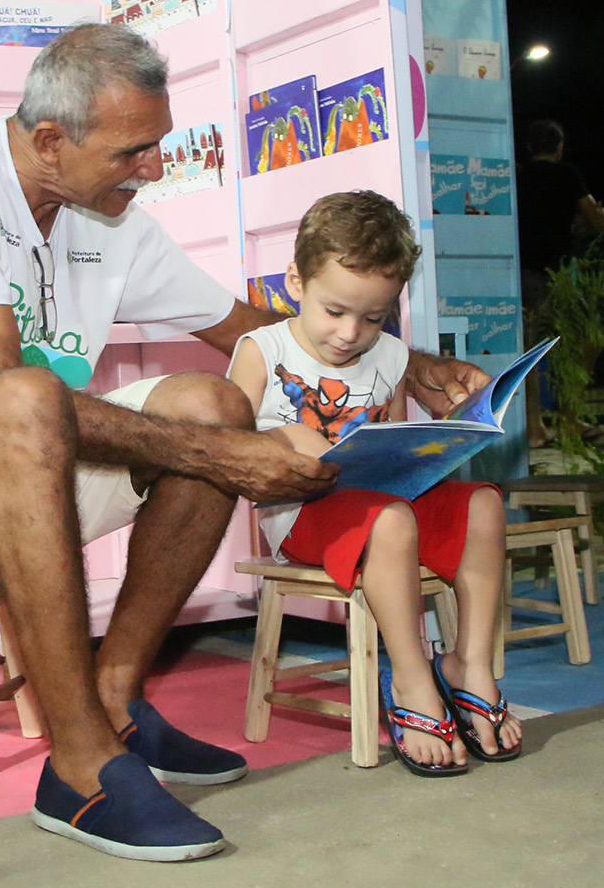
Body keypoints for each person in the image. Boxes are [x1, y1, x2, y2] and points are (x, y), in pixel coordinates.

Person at [0, 23, 485, 862]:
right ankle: (79, 767)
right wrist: (219, 460)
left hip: (7, 483)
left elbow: (257, 328)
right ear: (50, 140)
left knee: (212, 401)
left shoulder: (108, 219)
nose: (152, 168)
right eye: (133, 151)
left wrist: (404, 363)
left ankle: (115, 703)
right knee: (33, 399)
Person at [227, 191, 519, 777]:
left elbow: (387, 447)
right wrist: (285, 440)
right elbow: (226, 446)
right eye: (334, 311)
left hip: (383, 508)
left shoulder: (388, 355)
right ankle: (412, 681)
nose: (350, 332)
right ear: (295, 282)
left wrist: (435, 442)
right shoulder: (262, 350)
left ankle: (471, 666)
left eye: (373, 317)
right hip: (301, 517)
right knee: (390, 518)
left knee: (483, 502)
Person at [516, 119, 604, 445]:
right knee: (588, 337)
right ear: (559, 147)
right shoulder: (567, 174)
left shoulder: (520, 177)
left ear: (530, 149)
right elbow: (596, 221)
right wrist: (598, 218)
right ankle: (569, 417)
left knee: (530, 350)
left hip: (524, 272)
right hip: (558, 272)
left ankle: (534, 425)